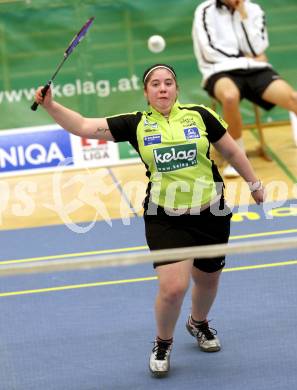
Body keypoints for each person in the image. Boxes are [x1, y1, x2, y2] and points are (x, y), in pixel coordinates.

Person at [34, 63, 265, 377]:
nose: (163, 89)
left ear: (176, 89)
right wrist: (51, 106)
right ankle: (163, 341)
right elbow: (84, 127)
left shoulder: (199, 115)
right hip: (165, 216)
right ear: (146, 92)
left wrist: (253, 183)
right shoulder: (136, 124)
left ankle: (198, 323)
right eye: (155, 84)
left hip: (212, 211)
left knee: (208, 279)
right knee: (173, 288)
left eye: (168, 83)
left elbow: (233, 151)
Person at [192, 0, 297, 177]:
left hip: (255, 70)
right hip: (219, 70)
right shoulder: (204, 11)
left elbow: (258, 47)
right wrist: (249, 59)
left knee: (293, 98)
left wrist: (244, 16)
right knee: (230, 96)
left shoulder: (254, 10)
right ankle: (237, 159)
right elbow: (211, 51)